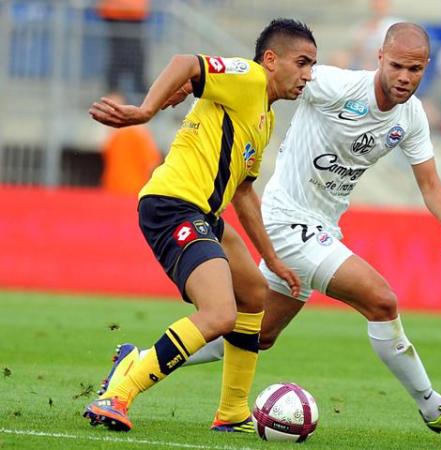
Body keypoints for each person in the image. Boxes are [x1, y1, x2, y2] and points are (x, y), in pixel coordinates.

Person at [106, 22, 441, 433]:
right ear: (380, 58)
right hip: (287, 220)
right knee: (381, 301)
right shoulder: (334, 84)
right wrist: (190, 86)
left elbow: (430, 183)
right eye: (397, 66)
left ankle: (137, 362)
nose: (404, 77)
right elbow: (270, 75)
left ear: (426, 67)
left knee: (258, 334)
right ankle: (433, 407)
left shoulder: (411, 116)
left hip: (322, 225)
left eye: (414, 69)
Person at [82, 18, 317, 433]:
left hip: (203, 213)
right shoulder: (249, 78)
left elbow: (243, 193)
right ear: (270, 59)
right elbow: (185, 62)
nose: (308, 75)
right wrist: (145, 111)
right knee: (220, 314)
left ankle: (233, 413)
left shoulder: (263, 118)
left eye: (312, 65)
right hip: (173, 205)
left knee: (253, 294)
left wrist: (272, 259)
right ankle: (118, 392)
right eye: (302, 63)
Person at [100, 92, 161, 195]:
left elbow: (152, 164)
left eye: (112, 108)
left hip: (131, 192)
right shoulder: (113, 136)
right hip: (113, 191)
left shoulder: (137, 132)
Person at [97, 0, 150, 100]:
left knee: (133, 59)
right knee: (121, 58)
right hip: (119, 14)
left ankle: (142, 96)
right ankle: (115, 94)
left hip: (132, 15)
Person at [330, 0, 402, 70]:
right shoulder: (362, 25)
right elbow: (354, 48)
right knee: (338, 59)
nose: (378, 7)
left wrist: (372, 57)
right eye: (376, 4)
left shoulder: (396, 25)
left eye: (381, 4)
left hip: (382, 59)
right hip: (361, 58)